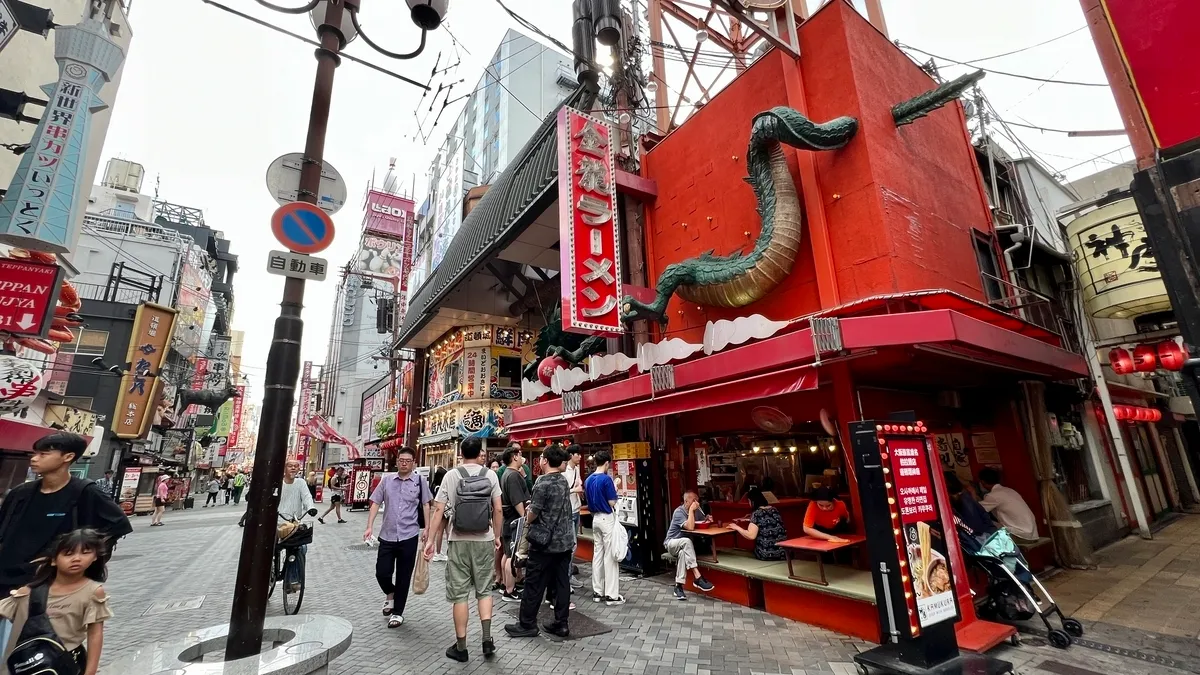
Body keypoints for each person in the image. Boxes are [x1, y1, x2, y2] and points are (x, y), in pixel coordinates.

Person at [0, 433, 130, 655]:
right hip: (5, 579)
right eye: (35, 453)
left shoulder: (84, 492)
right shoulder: (20, 493)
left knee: (33, 650)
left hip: (45, 585)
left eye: (43, 454)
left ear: (67, 457)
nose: (34, 458)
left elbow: (118, 525)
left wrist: (77, 554)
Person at [423, 436, 503, 663]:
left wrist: (430, 540)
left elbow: (439, 510)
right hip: (484, 539)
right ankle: (487, 639)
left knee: (460, 595)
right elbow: (498, 510)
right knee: (485, 590)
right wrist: (496, 536)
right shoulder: (490, 475)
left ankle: (461, 647)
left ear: (461, 453)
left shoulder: (451, 475)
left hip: (457, 540)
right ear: (480, 453)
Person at [0, 529, 112, 674]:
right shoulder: (29, 592)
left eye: (85, 552)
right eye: (68, 554)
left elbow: (95, 634)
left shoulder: (93, 591)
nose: (77, 558)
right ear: (53, 560)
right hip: (24, 664)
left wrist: (90, 672)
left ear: (95, 557)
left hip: (65, 664)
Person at [505, 444, 574, 638]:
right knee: (561, 583)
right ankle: (561, 623)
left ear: (545, 460)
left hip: (543, 543)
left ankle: (527, 624)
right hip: (564, 542)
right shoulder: (563, 480)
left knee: (534, 583)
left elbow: (533, 514)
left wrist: (528, 515)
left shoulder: (542, 483)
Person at [365, 447, 432, 628]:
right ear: (397, 462)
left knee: (404, 576)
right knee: (382, 572)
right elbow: (375, 502)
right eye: (401, 460)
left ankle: (397, 612)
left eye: (407, 461)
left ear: (413, 463)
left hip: (409, 535)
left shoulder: (419, 481)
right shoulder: (387, 481)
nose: (404, 463)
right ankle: (391, 593)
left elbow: (426, 505)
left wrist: (428, 529)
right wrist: (369, 526)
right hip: (387, 535)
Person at [584, 451, 624, 606]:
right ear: (607, 463)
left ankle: (597, 591)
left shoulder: (588, 480)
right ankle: (611, 594)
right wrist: (615, 488)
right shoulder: (606, 479)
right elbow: (612, 502)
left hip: (595, 519)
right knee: (610, 555)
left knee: (598, 554)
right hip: (607, 518)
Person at [661, 491, 717, 600]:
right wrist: (691, 510)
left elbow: (702, 523)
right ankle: (698, 577)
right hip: (672, 542)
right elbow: (690, 527)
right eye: (693, 501)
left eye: (697, 500)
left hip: (684, 547)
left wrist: (708, 519)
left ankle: (678, 586)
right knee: (686, 541)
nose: (696, 503)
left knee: (683, 553)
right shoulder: (679, 512)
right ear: (686, 501)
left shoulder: (697, 511)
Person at [278, 460, 316, 592]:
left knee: (301, 548)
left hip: (294, 523)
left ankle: (293, 579)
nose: (293, 468)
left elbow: (307, 497)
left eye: (296, 466)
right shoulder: (278, 482)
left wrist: (310, 507)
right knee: (270, 550)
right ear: (284, 468)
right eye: (290, 466)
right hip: (277, 523)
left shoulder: (301, 483)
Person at [498, 447, 529, 602]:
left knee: (507, 554)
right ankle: (509, 590)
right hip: (514, 521)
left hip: (507, 520)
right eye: (520, 454)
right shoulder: (513, 476)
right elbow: (517, 501)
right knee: (511, 555)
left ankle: (506, 585)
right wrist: (525, 517)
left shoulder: (507, 474)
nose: (522, 457)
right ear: (514, 457)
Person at [977, 467, 1039, 542]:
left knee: (985, 527)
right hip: (1032, 534)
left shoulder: (993, 495)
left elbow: (976, 510)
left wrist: (972, 494)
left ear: (982, 482)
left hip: (1021, 536)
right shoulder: (1009, 490)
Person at [729, 487, 788, 561]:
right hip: (783, 553)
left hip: (766, 554)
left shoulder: (757, 514)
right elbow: (765, 520)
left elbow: (751, 535)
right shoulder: (774, 510)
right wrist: (751, 517)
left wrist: (736, 527)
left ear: (752, 501)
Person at [564, 445, 585, 587]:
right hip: (568, 511)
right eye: (577, 454)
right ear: (571, 455)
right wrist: (575, 489)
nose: (580, 457)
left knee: (574, 543)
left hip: (576, 508)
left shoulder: (577, 469)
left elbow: (578, 487)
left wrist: (579, 488)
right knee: (571, 544)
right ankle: (567, 576)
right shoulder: (564, 471)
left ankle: (569, 573)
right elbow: (563, 491)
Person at [430, 465, 448, 562]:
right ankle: (438, 552)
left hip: (439, 510)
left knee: (441, 531)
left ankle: (439, 552)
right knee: (442, 531)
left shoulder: (434, 486)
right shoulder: (439, 487)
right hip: (443, 511)